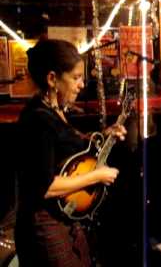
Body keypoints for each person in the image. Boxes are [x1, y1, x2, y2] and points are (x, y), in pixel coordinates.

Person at [15, 39, 126, 267]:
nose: (81, 84)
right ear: (52, 79)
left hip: (63, 221)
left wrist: (105, 135)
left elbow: (65, 151)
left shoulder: (53, 111)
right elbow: (43, 187)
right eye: (75, 77)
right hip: (44, 227)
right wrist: (97, 176)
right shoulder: (38, 120)